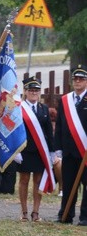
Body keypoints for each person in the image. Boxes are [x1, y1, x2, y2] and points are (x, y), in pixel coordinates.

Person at [16, 76, 55, 222]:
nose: (34, 93)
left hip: (40, 151)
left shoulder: (43, 108)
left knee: (38, 181)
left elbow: (49, 133)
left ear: (40, 92)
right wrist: (16, 150)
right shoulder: (19, 108)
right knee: (24, 180)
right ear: (25, 91)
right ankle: (24, 211)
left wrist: (52, 152)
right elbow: (14, 130)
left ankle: (36, 212)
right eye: (31, 90)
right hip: (24, 150)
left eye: (36, 90)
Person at [55, 66, 87, 226]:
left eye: (81, 79)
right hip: (68, 152)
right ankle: (65, 214)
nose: (78, 82)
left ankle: (85, 217)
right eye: (75, 79)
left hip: (85, 152)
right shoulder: (65, 100)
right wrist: (58, 148)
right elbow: (60, 126)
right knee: (68, 185)